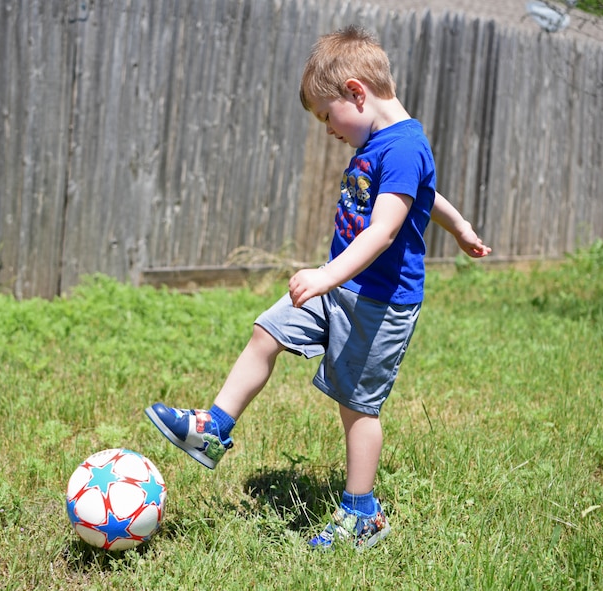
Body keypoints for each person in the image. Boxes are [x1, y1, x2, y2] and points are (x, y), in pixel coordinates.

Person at [145, 25, 491, 549]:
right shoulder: (387, 145)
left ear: (356, 92)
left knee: (357, 407)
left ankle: (362, 514)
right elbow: (427, 192)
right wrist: (460, 226)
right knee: (268, 330)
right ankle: (213, 427)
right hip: (339, 289)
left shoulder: (402, 146)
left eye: (327, 116)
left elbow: (385, 228)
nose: (328, 130)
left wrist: (326, 274)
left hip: (378, 303)